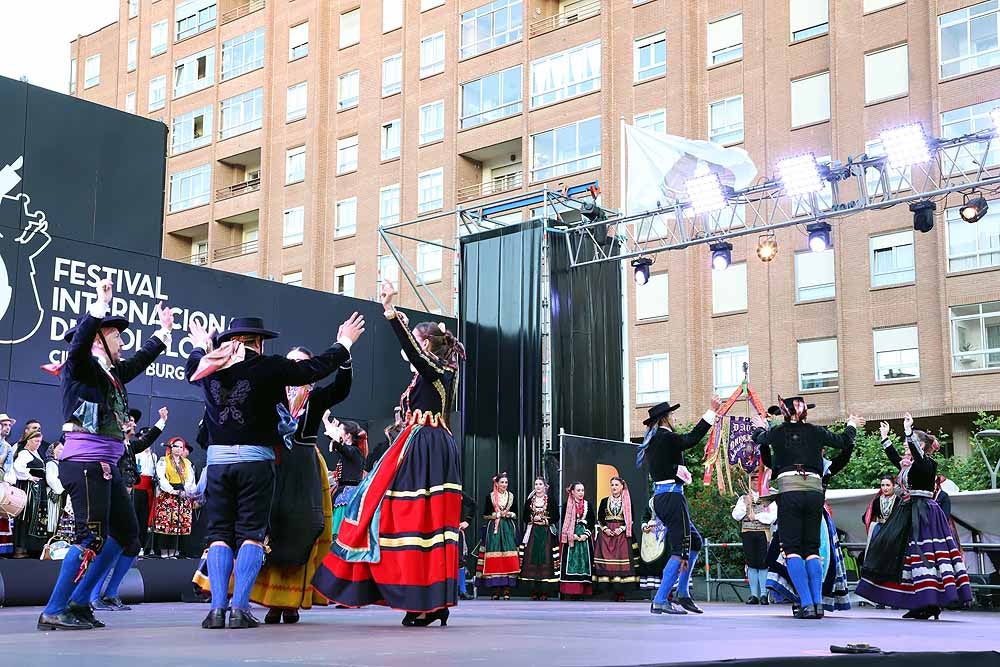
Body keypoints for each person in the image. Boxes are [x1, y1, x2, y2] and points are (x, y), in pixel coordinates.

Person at [187, 311, 363, 630]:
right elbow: (316, 367)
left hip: (221, 463)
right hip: (257, 461)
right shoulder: (269, 368)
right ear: (260, 343)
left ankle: (217, 611)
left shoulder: (208, 368)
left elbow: (192, 366)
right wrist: (344, 343)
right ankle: (240, 608)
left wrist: (202, 345)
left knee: (219, 535)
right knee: (253, 533)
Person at [312, 280, 464, 628]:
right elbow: (415, 360)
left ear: (426, 345)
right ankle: (425, 599)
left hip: (426, 448)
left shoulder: (441, 370)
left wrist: (392, 312)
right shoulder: (425, 377)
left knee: (417, 519)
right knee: (399, 515)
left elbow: (415, 355)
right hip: (416, 445)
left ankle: (426, 600)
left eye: (419, 343)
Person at [38, 278, 173, 631]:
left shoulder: (110, 373)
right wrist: (98, 306)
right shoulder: (80, 366)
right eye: (116, 335)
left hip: (104, 465)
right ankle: (54, 608)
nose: (122, 341)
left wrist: (163, 333)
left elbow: (140, 360)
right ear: (98, 338)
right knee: (91, 536)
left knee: (127, 535)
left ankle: (80, 601)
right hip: (85, 463)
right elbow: (80, 345)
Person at [246, 345, 352, 624]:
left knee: (302, 528)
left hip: (304, 466)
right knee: (271, 527)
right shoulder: (272, 393)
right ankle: (271, 600)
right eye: (290, 361)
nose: (294, 366)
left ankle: (292, 600)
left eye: (301, 363)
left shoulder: (315, 398)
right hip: (274, 462)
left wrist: (345, 355)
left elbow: (341, 388)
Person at [751, 396, 859, 620]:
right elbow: (843, 441)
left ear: (785, 412)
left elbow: (761, 442)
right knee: (811, 549)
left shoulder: (778, 432)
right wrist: (852, 425)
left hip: (790, 493)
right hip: (815, 493)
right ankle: (818, 604)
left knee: (792, 548)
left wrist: (761, 428)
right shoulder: (816, 431)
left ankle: (807, 604)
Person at [856, 415, 973, 619]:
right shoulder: (909, 465)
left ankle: (930, 601)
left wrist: (908, 431)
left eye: (908, 444)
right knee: (902, 553)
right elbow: (896, 460)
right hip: (909, 510)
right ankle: (920, 601)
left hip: (924, 512)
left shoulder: (927, 463)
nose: (905, 447)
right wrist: (885, 439)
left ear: (919, 445)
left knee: (924, 554)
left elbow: (917, 457)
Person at [638, 397, 721, 615]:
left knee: (694, 541)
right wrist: (711, 411)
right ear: (665, 418)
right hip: (672, 498)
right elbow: (691, 438)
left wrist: (680, 468)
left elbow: (669, 463)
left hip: (663, 497)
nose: (675, 418)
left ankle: (683, 593)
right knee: (681, 548)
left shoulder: (654, 441)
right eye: (672, 415)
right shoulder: (666, 437)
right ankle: (660, 599)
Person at [731, 473, 776, 605]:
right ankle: (753, 595)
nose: (755, 483)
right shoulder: (744, 498)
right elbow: (736, 516)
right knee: (751, 562)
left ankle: (763, 594)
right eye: (753, 480)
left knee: (763, 562)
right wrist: (746, 505)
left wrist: (756, 516)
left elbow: (772, 517)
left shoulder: (768, 497)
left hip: (763, 532)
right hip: (747, 532)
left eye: (758, 480)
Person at [476, 472, 520, 600]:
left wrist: (510, 514)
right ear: (496, 483)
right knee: (495, 556)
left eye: (506, 483)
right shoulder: (490, 497)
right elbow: (485, 515)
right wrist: (496, 515)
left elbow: (516, 513)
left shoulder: (511, 496)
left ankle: (507, 589)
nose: (504, 485)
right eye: (502, 482)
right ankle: (495, 589)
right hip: (494, 529)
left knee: (508, 556)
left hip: (508, 529)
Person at [593, 477, 638, 601]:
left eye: (616, 485)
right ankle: (610, 591)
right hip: (607, 534)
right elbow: (600, 517)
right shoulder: (604, 501)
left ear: (622, 487)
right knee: (607, 563)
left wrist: (621, 528)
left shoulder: (627, 502)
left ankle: (621, 592)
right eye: (612, 485)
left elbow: (631, 518)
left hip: (621, 534)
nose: (614, 487)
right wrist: (605, 529)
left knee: (621, 563)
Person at [152, 437, 197, 558]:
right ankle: (164, 553)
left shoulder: (187, 463)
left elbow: (191, 479)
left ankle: (174, 552)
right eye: (175, 446)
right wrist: (172, 490)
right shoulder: (163, 461)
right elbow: (161, 477)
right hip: (168, 495)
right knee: (167, 523)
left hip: (182, 496)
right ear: (170, 447)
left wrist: (185, 490)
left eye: (180, 447)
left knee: (179, 524)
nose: (178, 449)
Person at [518, 477, 559, 600]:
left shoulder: (550, 500)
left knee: (546, 558)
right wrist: (533, 519)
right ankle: (534, 591)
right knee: (532, 558)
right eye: (536, 484)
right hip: (533, 532)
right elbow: (524, 516)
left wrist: (546, 520)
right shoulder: (530, 501)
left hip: (546, 533)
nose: (538, 486)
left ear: (545, 486)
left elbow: (556, 516)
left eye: (540, 484)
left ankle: (545, 591)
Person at [11, 430, 49, 558]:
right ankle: (20, 549)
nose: (38, 444)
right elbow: (17, 467)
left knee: (35, 517)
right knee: (26, 516)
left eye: (39, 441)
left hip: (37, 490)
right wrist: (29, 477)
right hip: (30, 490)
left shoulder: (35, 453)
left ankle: (29, 548)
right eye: (36, 441)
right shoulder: (24, 453)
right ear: (28, 441)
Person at [328, 419, 367, 540]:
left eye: (340, 430)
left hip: (349, 494)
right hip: (343, 491)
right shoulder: (349, 451)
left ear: (348, 435)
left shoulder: (354, 451)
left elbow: (341, 447)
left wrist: (332, 434)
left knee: (341, 530)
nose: (338, 432)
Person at [559, 482, 594, 599]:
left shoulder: (587, 505)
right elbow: (564, 521)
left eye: (582, 490)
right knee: (570, 562)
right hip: (571, 536)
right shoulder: (567, 505)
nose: (581, 493)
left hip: (584, 537)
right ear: (572, 492)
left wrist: (585, 534)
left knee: (583, 563)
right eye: (578, 490)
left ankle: (582, 591)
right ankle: (570, 591)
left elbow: (592, 521)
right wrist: (571, 535)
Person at [44, 441, 75, 543]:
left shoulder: (62, 463)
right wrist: (62, 489)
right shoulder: (51, 463)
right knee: (54, 517)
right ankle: (51, 540)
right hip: (56, 494)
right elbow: (51, 479)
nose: (62, 451)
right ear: (53, 451)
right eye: (60, 449)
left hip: (64, 493)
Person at [863, 474, 900, 554]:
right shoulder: (876, 501)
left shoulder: (899, 501)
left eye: (888, 485)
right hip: (879, 530)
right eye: (883, 485)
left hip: (893, 531)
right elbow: (866, 517)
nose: (885, 488)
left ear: (893, 486)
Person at [638, 498, 668, 594]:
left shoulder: (670, 500)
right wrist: (645, 525)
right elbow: (645, 516)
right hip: (651, 535)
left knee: (666, 560)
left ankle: (668, 591)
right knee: (653, 561)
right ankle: (658, 592)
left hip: (665, 534)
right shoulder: (651, 501)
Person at [0, 413, 15, 557]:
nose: (7, 428)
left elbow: (8, 468)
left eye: (9, 425)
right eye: (5, 424)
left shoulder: (7, 447)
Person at [459, 492, 477, 599]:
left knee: (459, 560)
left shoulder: (457, 491)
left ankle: (462, 590)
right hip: (438, 530)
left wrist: (467, 521)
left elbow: (473, 505)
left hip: (455, 529)